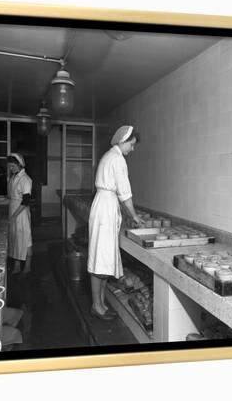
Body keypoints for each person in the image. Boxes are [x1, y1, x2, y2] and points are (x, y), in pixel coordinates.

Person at [88, 125, 144, 320]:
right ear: (123, 141)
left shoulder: (109, 155)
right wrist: (135, 217)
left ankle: (100, 303)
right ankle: (97, 306)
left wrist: (126, 213)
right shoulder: (117, 159)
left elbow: (119, 194)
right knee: (100, 261)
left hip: (104, 206)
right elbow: (125, 193)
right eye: (132, 144)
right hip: (105, 210)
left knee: (104, 260)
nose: (133, 149)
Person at [0, 153, 33, 274]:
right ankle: (17, 266)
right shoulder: (13, 179)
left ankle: (28, 266)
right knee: (15, 239)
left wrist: (14, 216)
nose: (11, 169)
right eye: (9, 167)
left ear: (20, 164)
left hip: (22, 214)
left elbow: (25, 201)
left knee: (25, 240)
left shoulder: (25, 179)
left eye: (13, 166)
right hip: (13, 213)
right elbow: (11, 198)